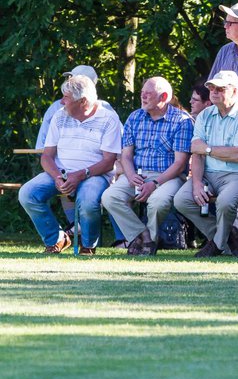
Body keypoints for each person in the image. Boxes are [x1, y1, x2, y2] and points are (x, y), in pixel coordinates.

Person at [19, 74, 123, 254]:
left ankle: (88, 245)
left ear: (82, 101)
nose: (61, 102)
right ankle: (57, 239)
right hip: (61, 173)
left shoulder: (108, 119)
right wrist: (57, 176)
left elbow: (108, 161)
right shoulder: (59, 116)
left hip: (95, 174)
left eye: (66, 97)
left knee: (88, 201)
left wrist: (80, 175)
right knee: (27, 193)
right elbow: (47, 156)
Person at [100, 77, 194, 256]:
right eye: (142, 93)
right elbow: (126, 156)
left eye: (148, 94)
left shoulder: (182, 121)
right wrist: (131, 175)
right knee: (110, 197)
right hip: (137, 174)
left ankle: (148, 240)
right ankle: (143, 236)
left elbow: (180, 163)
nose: (143, 97)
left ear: (164, 97)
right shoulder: (135, 117)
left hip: (169, 176)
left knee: (157, 202)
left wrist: (155, 183)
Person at [173, 71, 238, 258]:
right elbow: (196, 153)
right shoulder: (205, 115)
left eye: (220, 89)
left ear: (235, 92)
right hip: (207, 174)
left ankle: (217, 245)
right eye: (211, 88)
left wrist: (207, 149)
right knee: (181, 200)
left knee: (225, 202)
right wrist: (196, 183)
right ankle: (227, 235)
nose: (214, 92)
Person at [35, 65, 112, 149]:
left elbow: (119, 141)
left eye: (73, 79)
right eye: (69, 78)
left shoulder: (104, 108)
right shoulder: (57, 108)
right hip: (59, 160)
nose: (68, 81)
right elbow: (41, 146)